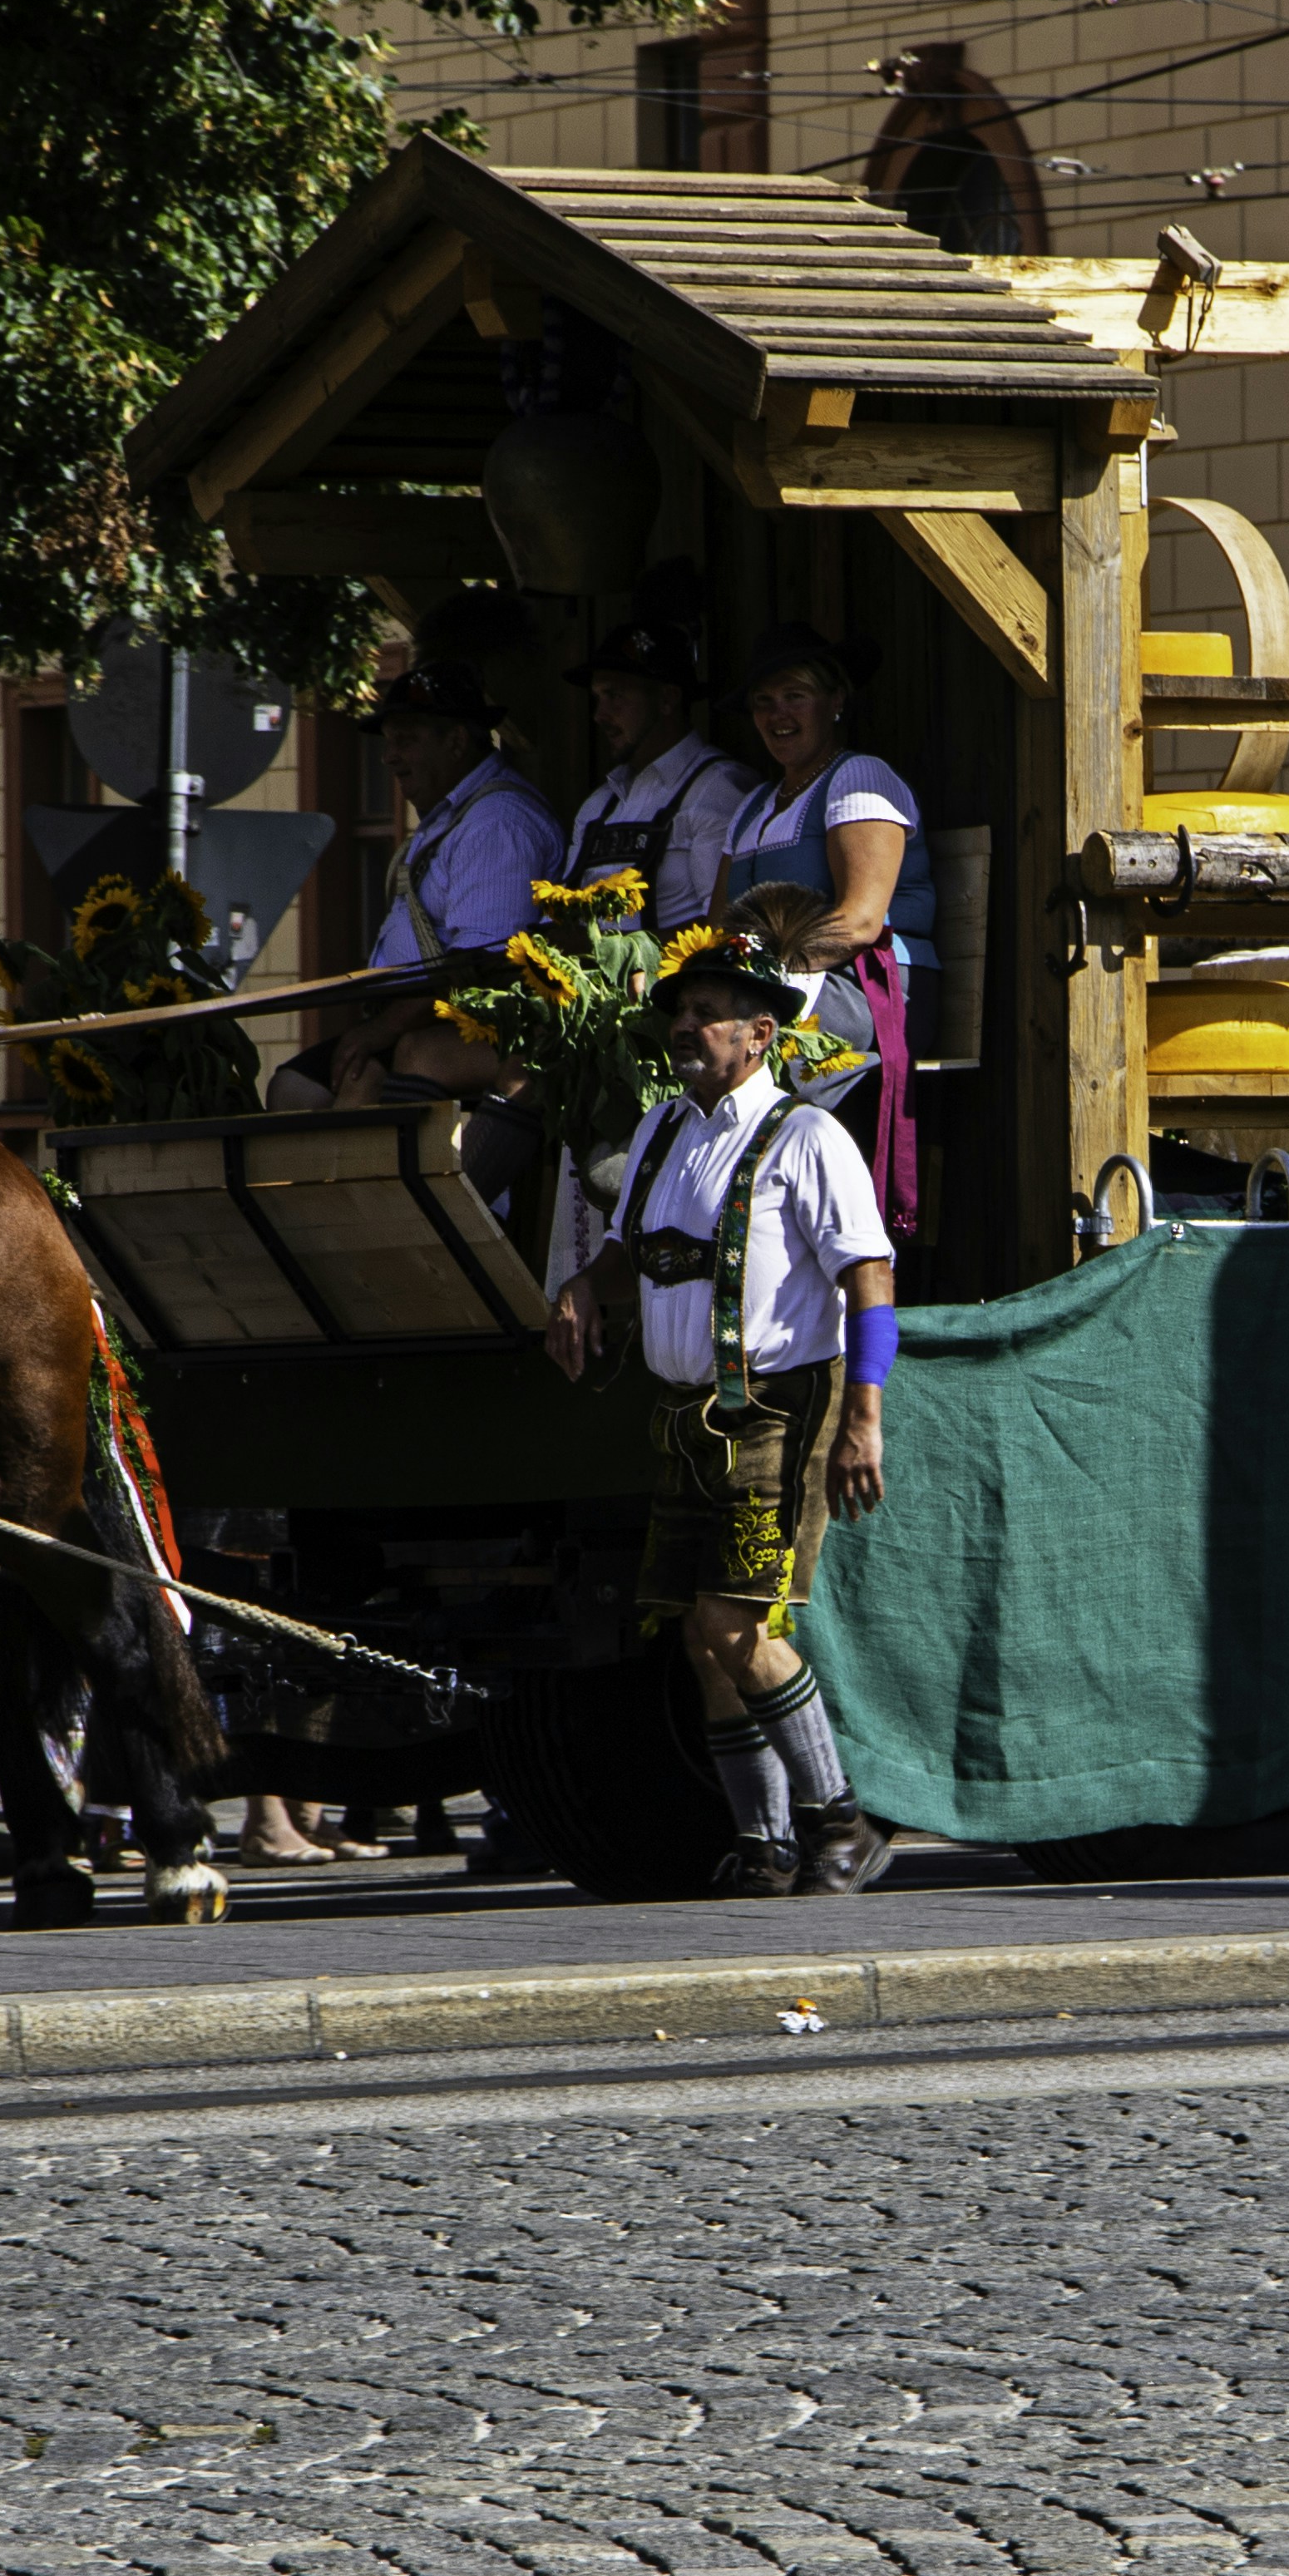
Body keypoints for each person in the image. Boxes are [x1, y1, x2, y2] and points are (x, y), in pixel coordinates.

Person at [543, 906, 899, 1898]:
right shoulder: (659, 1130)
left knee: (732, 1626)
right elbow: (631, 1259)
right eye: (680, 1012)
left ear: (762, 1035)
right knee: (700, 1638)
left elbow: (871, 1277)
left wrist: (864, 1416)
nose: (687, 1028)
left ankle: (844, 1822)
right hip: (682, 1415)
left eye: (709, 1013)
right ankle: (768, 1843)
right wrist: (582, 1289)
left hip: (779, 1410)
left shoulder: (810, 1136)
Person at [714, 620, 938, 1211]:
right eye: (763, 701)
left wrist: (755, 979)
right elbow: (717, 930)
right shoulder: (752, 809)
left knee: (723, 1034)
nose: (776, 713)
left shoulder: (859, 778)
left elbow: (860, 924)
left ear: (836, 701)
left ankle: (763, 1191)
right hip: (775, 988)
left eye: (794, 695)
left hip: (869, 991)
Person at [288, 643, 565, 1107]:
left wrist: (385, 1028)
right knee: (294, 1089)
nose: (388, 758)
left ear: (456, 741)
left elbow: (480, 969)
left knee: (355, 1099)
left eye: (407, 740)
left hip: (455, 1029)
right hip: (412, 1019)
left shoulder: (498, 822)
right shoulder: (451, 814)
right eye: (389, 741)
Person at [561, 582, 758, 929]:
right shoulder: (598, 807)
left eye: (615, 696)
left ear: (667, 699)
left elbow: (725, 930)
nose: (600, 715)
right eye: (597, 698)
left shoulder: (717, 790)